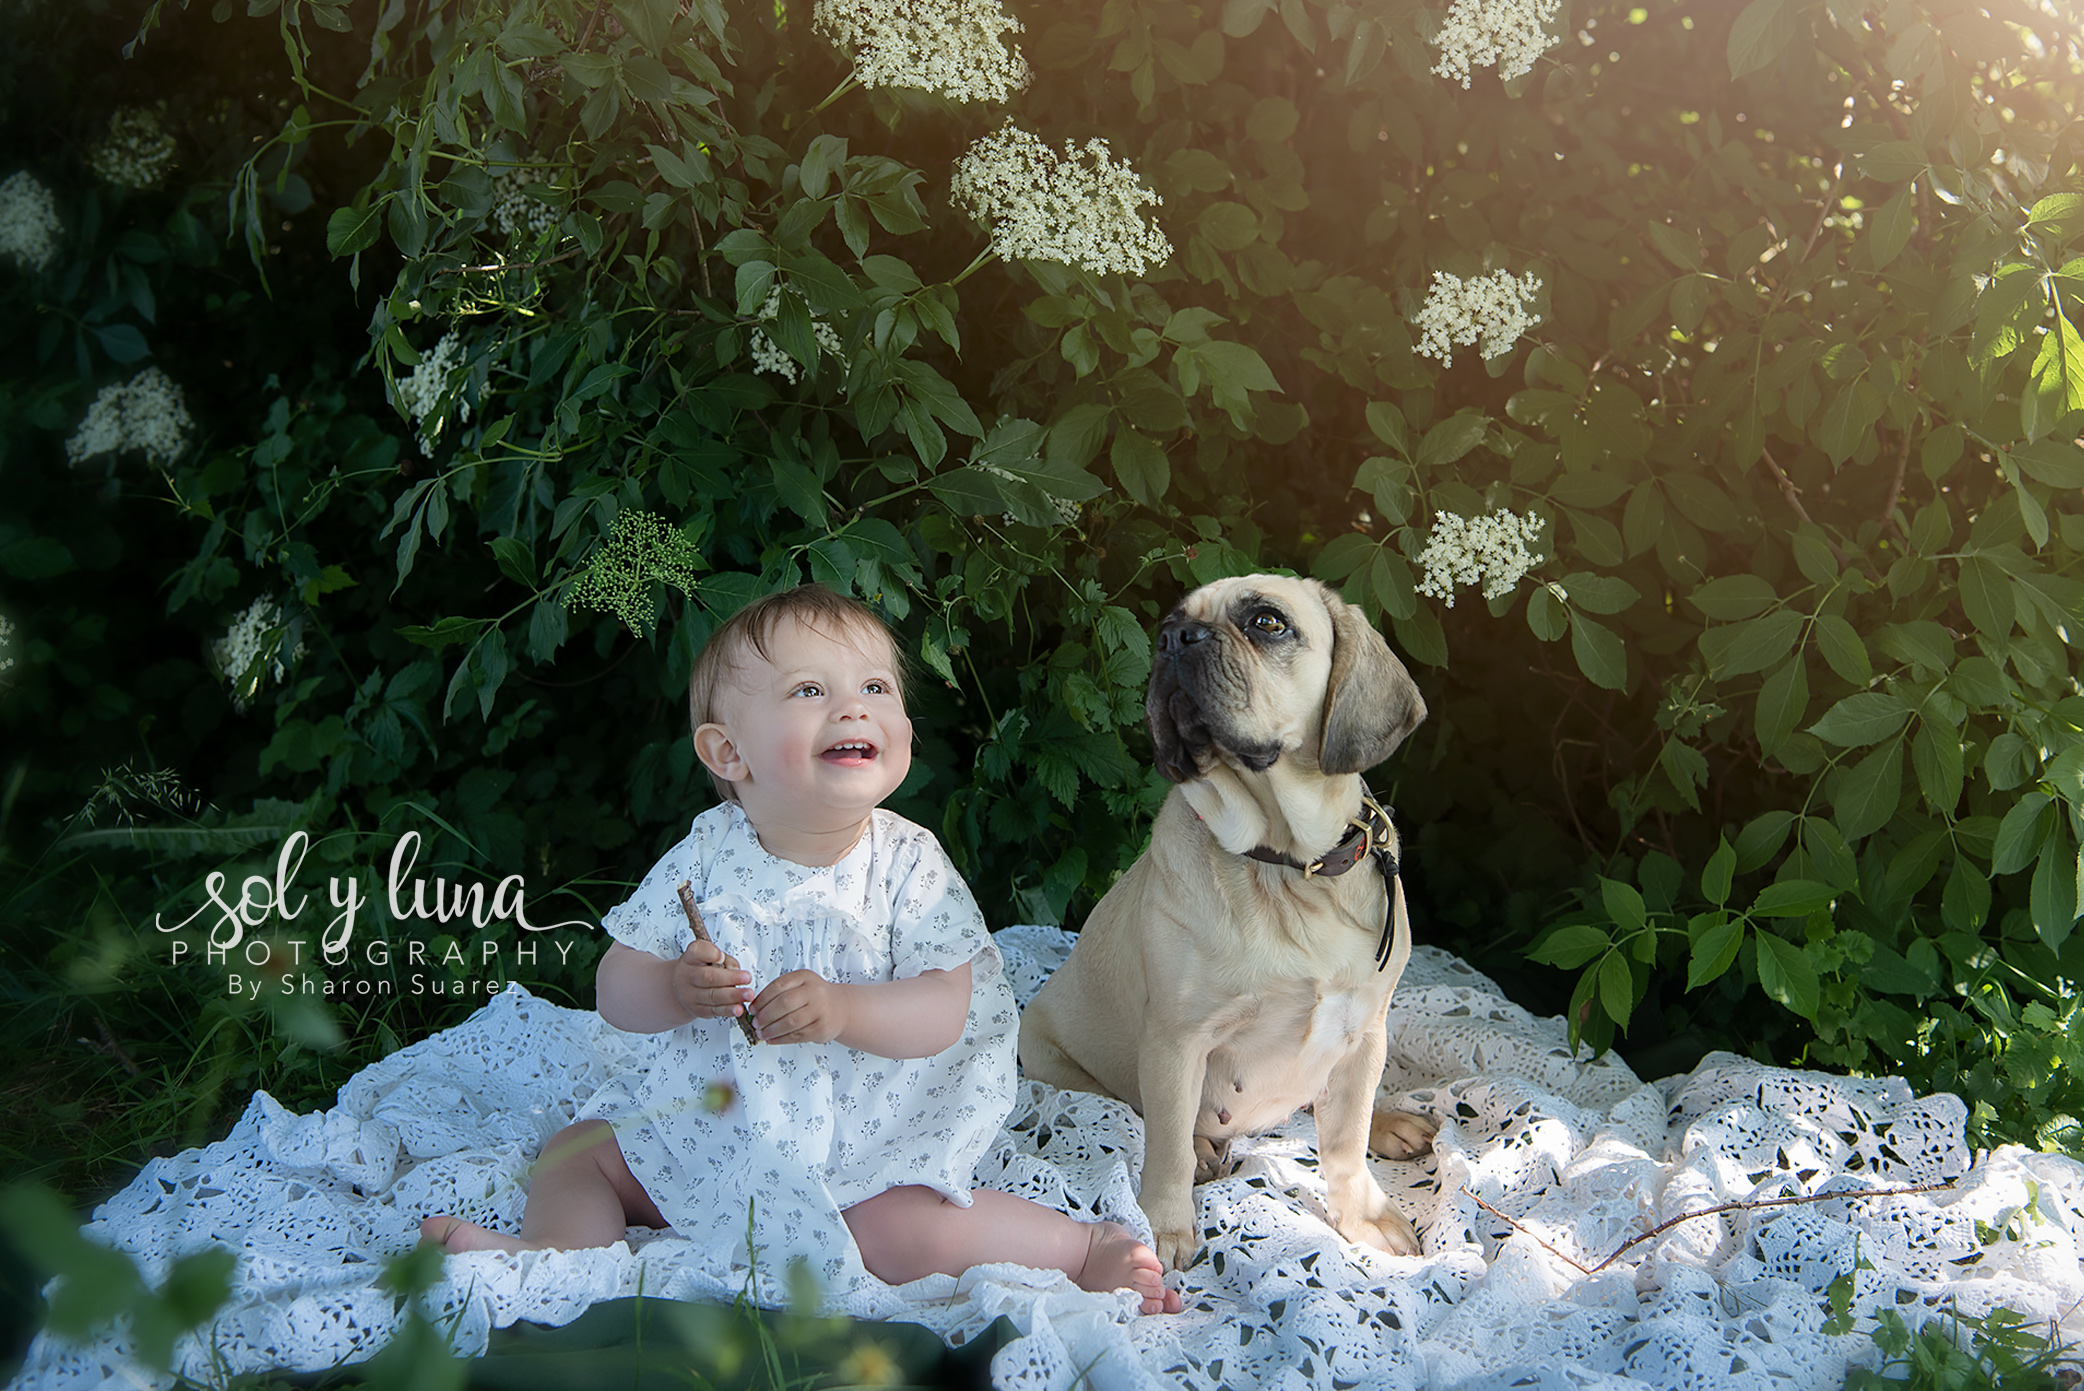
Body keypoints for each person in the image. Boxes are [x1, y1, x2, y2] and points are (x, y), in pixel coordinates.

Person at [421, 583, 1181, 1316]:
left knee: (900, 1235)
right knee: (580, 1148)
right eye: (810, 691)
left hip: (864, 1145)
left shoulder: (907, 864)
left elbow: (945, 1008)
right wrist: (676, 988)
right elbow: (615, 988)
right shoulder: (706, 856)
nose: (855, 705)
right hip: (715, 1129)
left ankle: (1079, 1249)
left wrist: (846, 1008)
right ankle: (555, 1251)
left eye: (878, 687)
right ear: (728, 752)